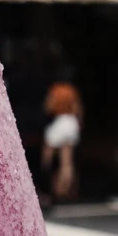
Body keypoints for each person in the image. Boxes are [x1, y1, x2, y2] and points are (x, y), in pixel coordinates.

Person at [41, 69, 83, 207]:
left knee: (47, 153)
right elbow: (78, 109)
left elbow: (49, 106)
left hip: (59, 121)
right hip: (71, 122)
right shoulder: (72, 91)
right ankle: (64, 189)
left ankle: (47, 183)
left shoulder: (55, 90)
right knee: (67, 161)